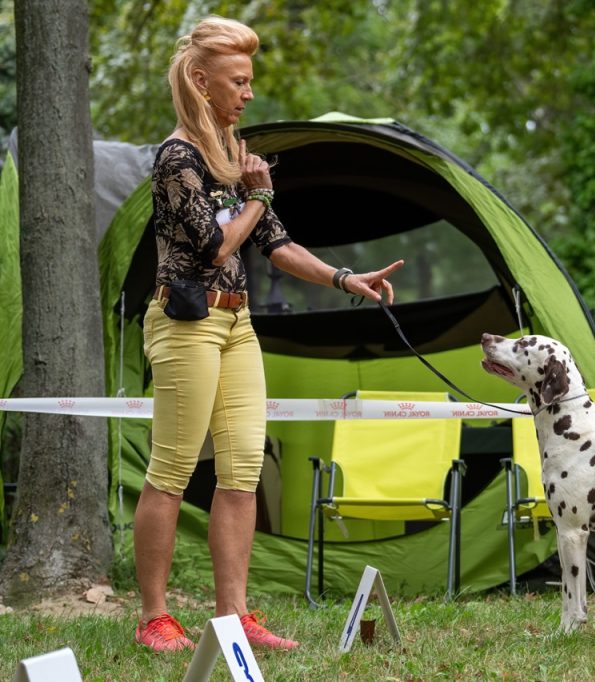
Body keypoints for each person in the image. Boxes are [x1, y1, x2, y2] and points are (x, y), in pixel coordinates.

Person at [133, 16, 405, 653]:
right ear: (201, 82)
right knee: (172, 468)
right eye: (238, 81)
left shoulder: (235, 154)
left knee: (242, 470)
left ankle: (234, 616)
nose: (249, 93)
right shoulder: (177, 158)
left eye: (249, 80)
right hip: (186, 323)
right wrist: (258, 194)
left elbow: (275, 243)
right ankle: (153, 618)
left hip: (237, 323)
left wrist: (345, 278)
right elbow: (213, 246)